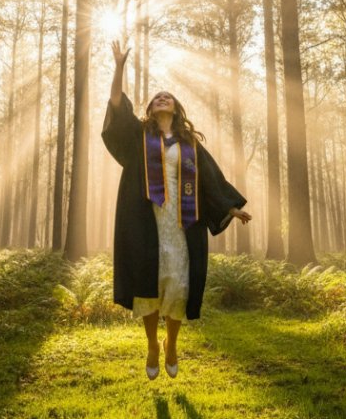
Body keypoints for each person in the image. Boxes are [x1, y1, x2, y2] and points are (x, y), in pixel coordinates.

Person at [101, 40, 252, 380]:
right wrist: (119, 66)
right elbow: (116, 109)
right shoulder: (139, 137)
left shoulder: (188, 144)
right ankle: (153, 344)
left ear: (177, 106)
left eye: (167, 95)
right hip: (145, 221)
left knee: (179, 285)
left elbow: (211, 179)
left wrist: (230, 208)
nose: (162, 97)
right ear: (151, 109)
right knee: (149, 284)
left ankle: (171, 344)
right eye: (156, 97)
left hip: (183, 223)